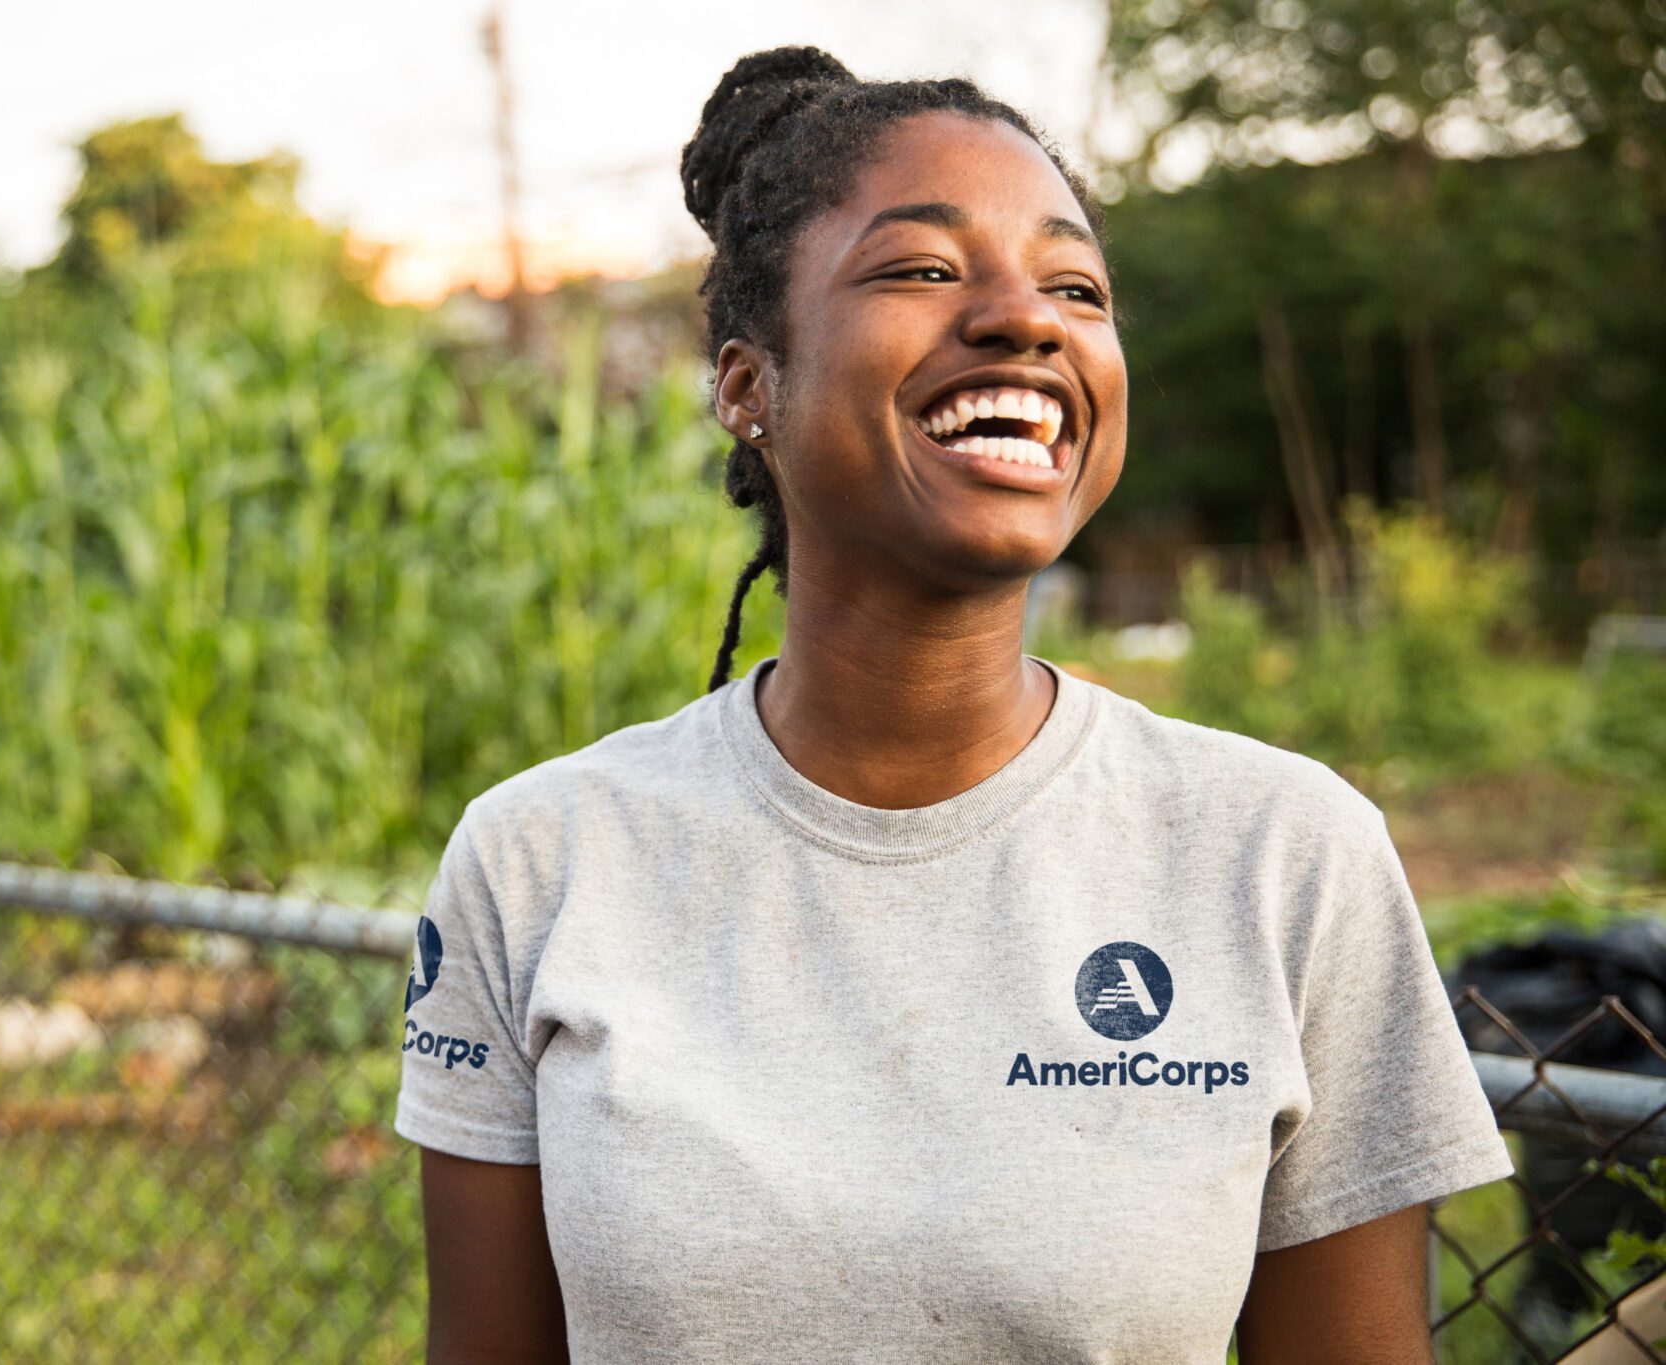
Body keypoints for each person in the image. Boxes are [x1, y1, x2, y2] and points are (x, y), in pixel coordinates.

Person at [393, 46, 1512, 1363]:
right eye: (923, 269)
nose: (1024, 318)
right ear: (750, 385)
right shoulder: (539, 862)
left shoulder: (1284, 857)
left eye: (1075, 286)